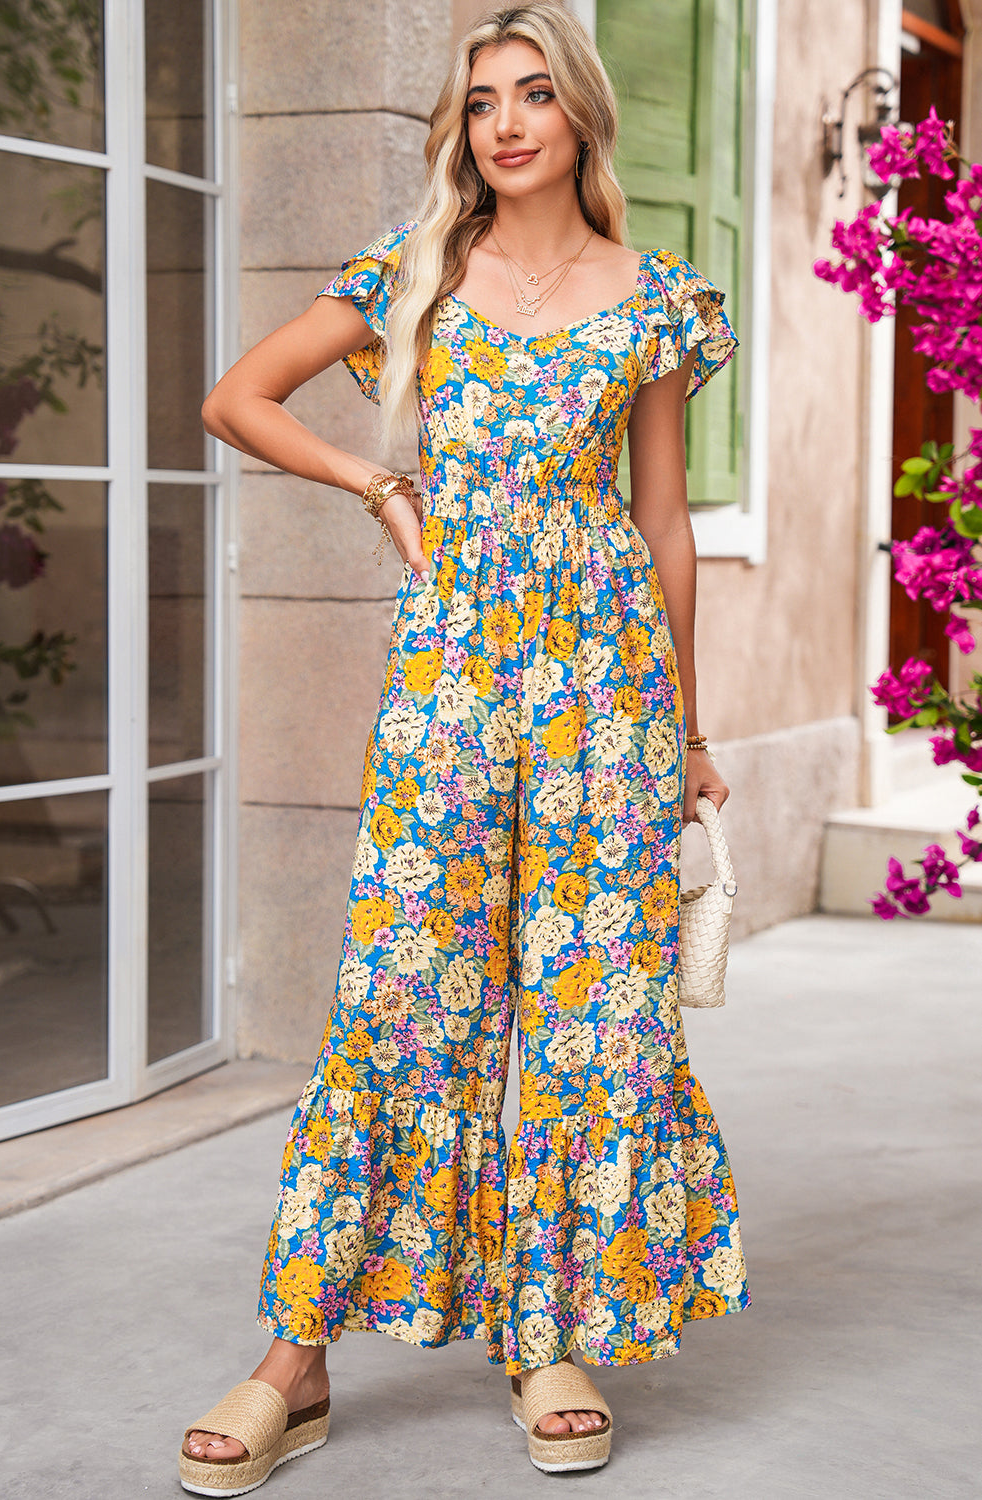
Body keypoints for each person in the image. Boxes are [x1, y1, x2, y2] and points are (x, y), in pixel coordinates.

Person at [179, 2, 749, 1489]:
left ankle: (547, 1338)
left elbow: (664, 524)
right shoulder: (417, 271)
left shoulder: (659, 299)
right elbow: (236, 398)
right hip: (454, 679)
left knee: (587, 1014)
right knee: (402, 996)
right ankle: (296, 1359)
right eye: (481, 99)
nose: (504, 123)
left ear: (581, 115)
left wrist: (688, 730)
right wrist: (378, 484)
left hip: (608, 691)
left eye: (533, 94)